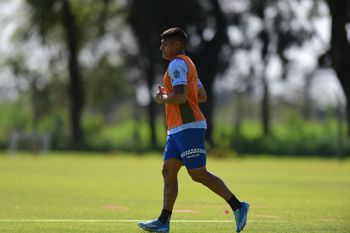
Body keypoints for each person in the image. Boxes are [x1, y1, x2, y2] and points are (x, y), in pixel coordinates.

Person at [137, 27, 249, 233]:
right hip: (176, 129)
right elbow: (201, 95)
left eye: (166, 43)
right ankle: (163, 222)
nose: (161, 46)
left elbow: (180, 97)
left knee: (198, 174)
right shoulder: (188, 64)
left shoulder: (176, 65)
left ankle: (239, 206)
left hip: (188, 127)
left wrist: (163, 98)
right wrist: (172, 94)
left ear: (178, 44)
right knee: (167, 171)